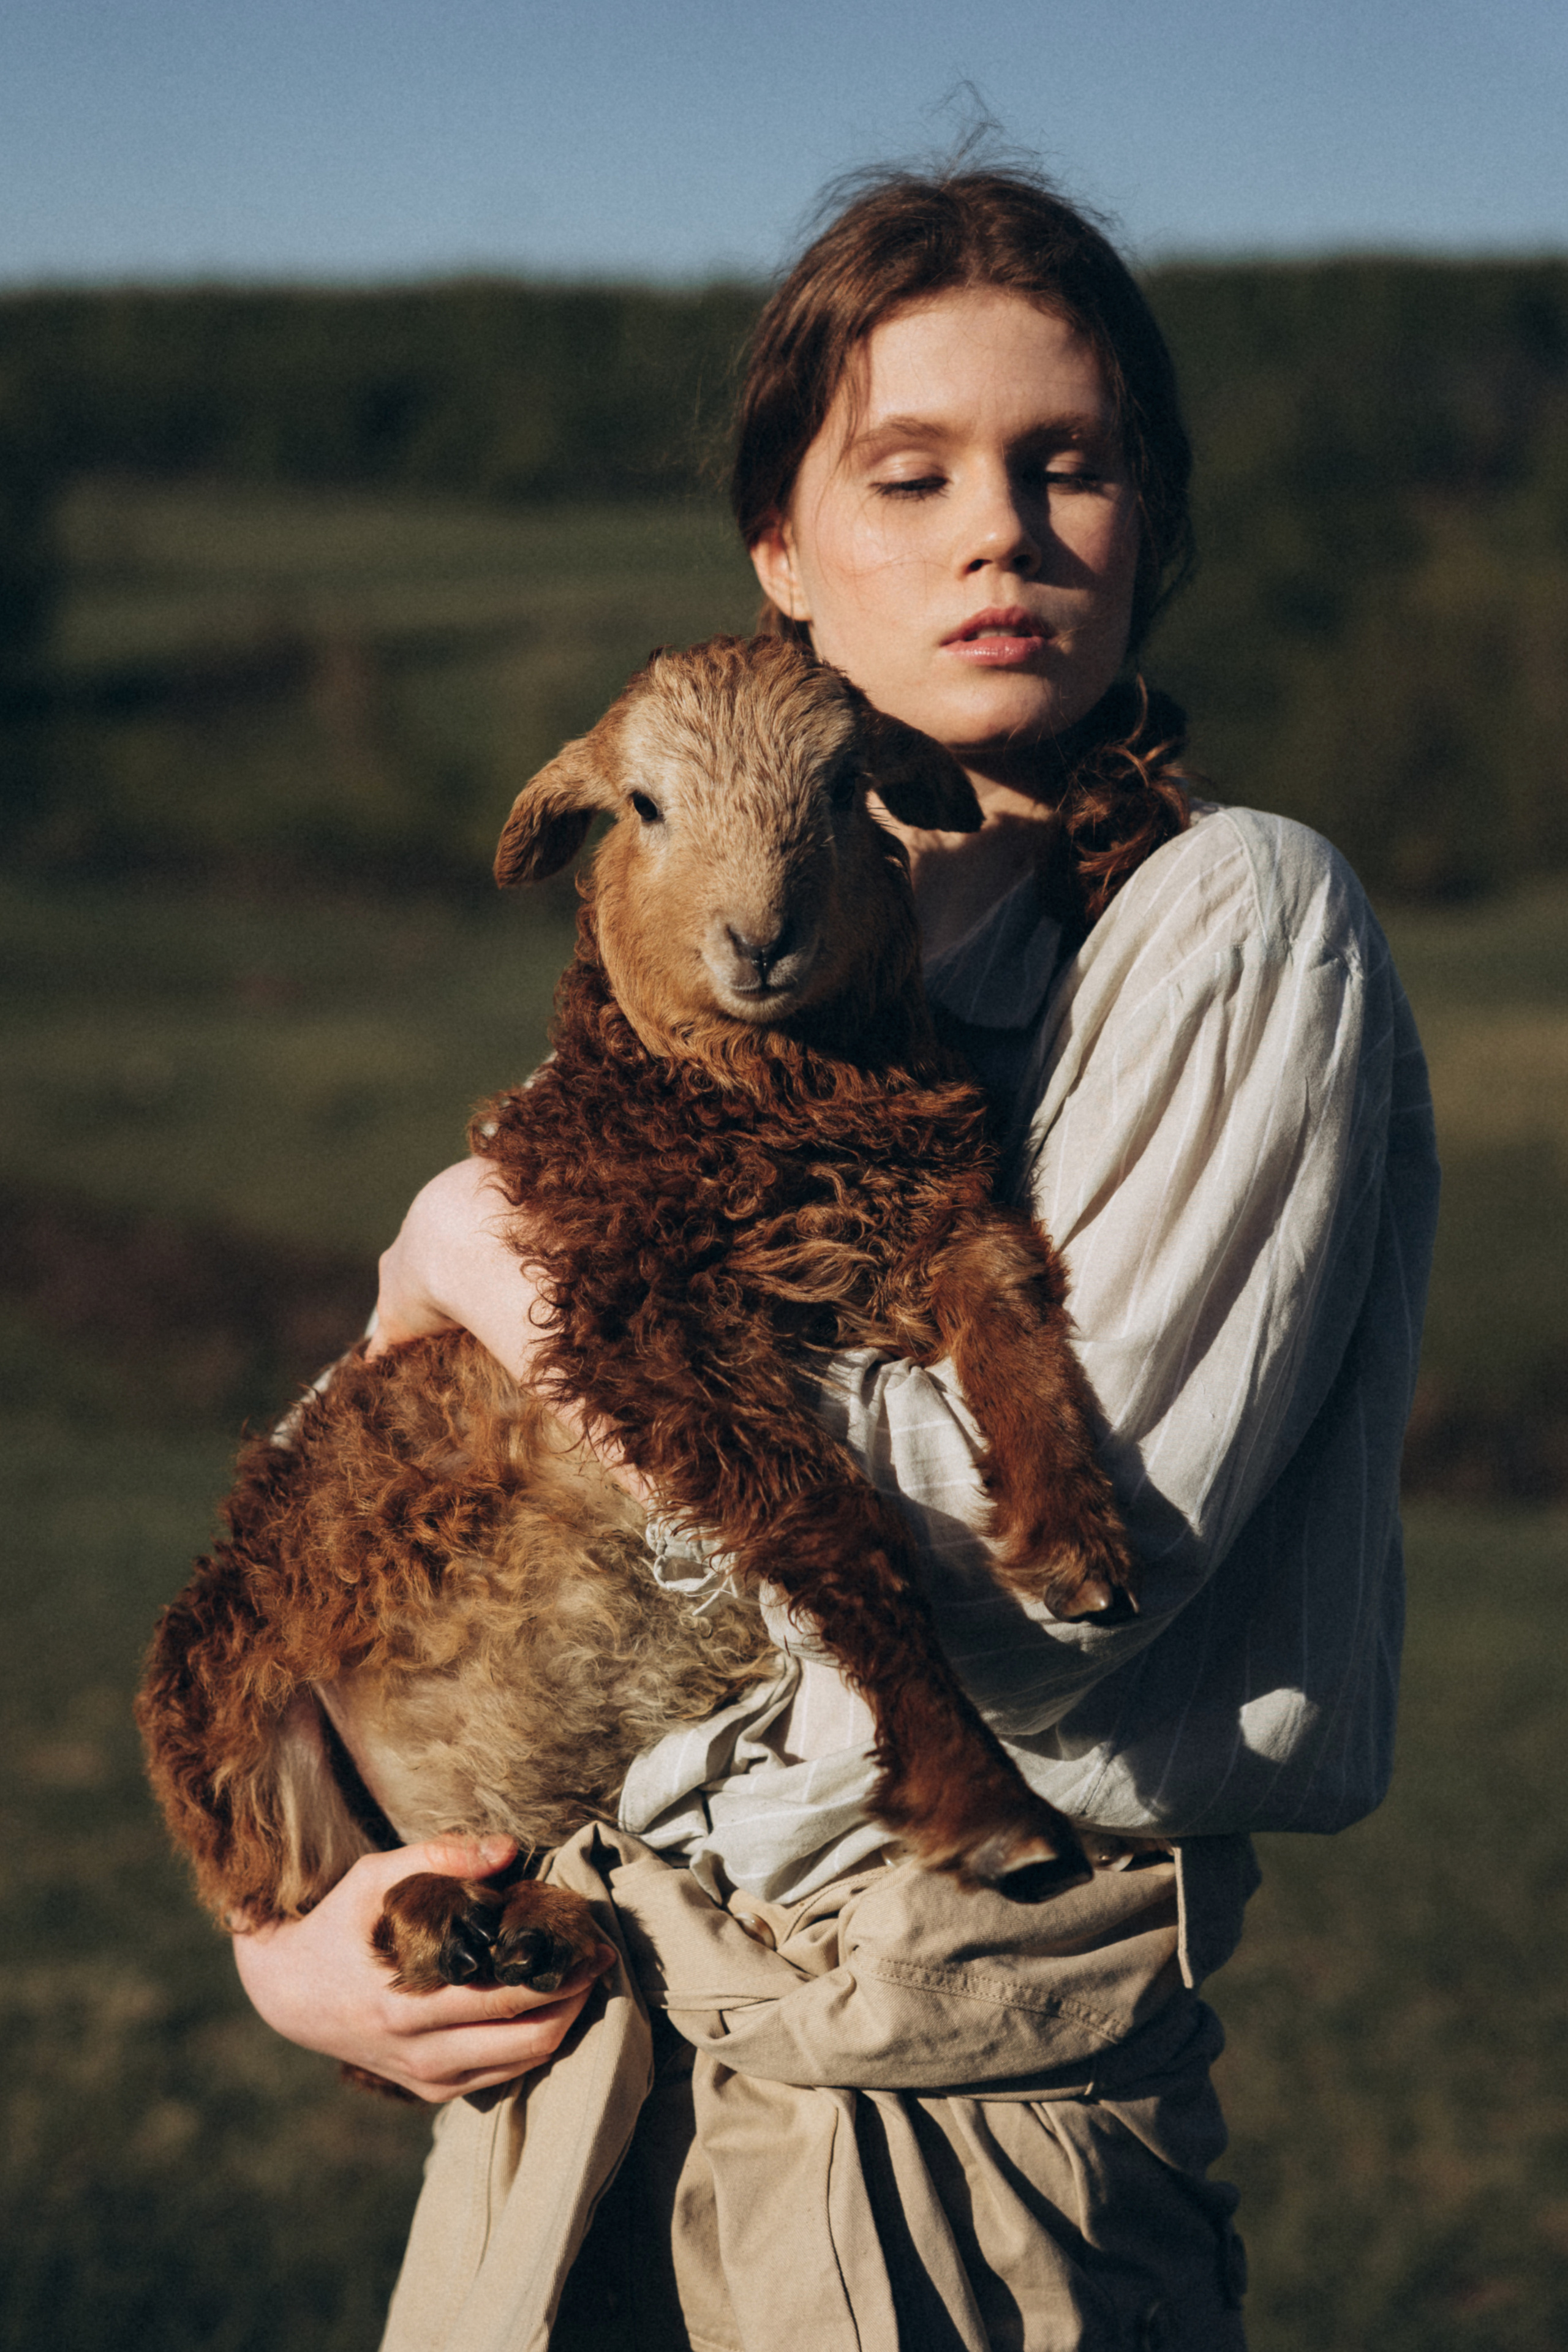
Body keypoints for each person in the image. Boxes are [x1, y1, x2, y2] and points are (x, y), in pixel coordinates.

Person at [232, 165, 1439, 2350]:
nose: (1002, 530)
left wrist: (506, 1269)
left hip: (953, 2141)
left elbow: (1057, 1589)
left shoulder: (1223, 925)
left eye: (1068, 464)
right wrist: (293, 1913)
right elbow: (391, 1490)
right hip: (562, 2091)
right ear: (781, 556)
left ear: (1148, 515)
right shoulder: (715, 970)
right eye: (914, 474)